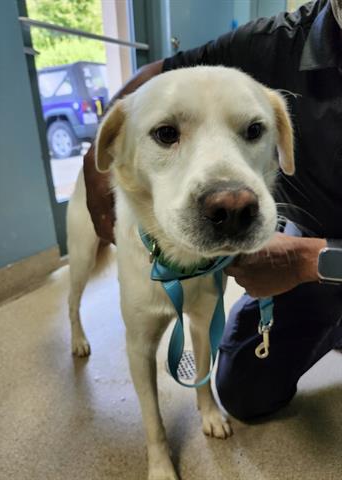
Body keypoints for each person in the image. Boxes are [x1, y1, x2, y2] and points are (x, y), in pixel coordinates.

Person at [83, 0, 342, 420]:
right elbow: (165, 74)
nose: (228, 200)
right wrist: (97, 159)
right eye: (168, 134)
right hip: (314, 239)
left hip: (319, 256)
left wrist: (309, 260)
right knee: (245, 390)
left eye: (252, 130)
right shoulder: (276, 41)